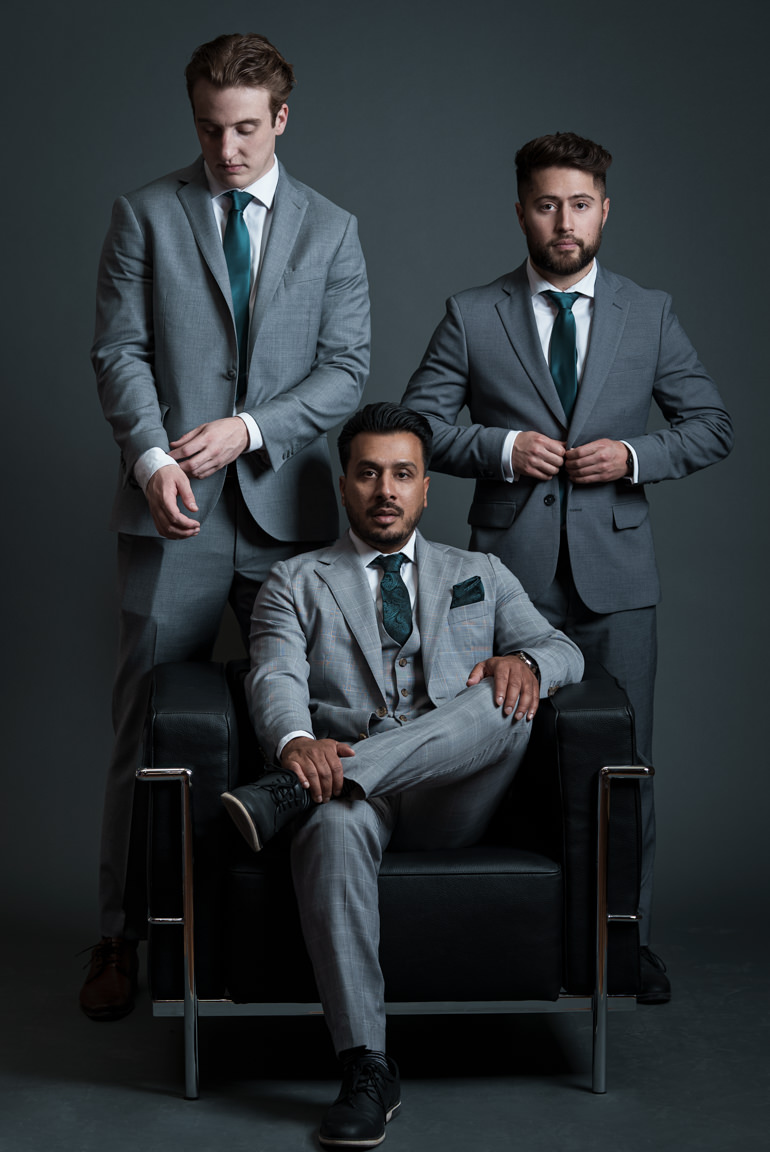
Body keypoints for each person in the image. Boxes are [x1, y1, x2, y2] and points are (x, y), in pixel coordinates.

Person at [401, 132, 733, 1002]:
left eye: (580, 204)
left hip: (617, 584)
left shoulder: (647, 312)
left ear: (605, 210)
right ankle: (508, 942)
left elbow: (711, 424)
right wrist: (505, 449)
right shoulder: (473, 313)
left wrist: (630, 456)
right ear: (520, 211)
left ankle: (626, 943)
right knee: (493, 757)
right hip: (503, 584)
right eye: (547, 204)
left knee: (626, 768)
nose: (564, 221)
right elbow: (418, 427)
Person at [82, 32, 370, 1021]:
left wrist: (250, 428)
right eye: (210, 128)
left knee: (307, 723)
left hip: (288, 518)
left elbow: (346, 369)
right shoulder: (144, 215)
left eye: (246, 128)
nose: (228, 148)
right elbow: (117, 349)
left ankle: (290, 934)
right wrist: (154, 456)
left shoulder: (332, 230)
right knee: (145, 729)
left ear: (280, 118)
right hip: (174, 517)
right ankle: (119, 935)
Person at [221, 402, 583, 1147]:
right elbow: (275, 678)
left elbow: (565, 651)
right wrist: (295, 743)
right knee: (331, 818)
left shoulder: (480, 572)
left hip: (460, 794)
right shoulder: (294, 581)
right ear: (346, 487)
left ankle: (292, 796)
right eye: (368, 473)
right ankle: (365, 1066)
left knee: (503, 699)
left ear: (425, 489)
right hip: (354, 791)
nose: (385, 490)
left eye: (403, 474)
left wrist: (529, 661)